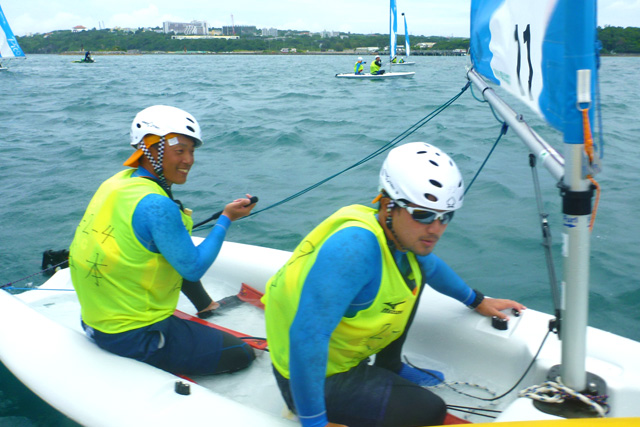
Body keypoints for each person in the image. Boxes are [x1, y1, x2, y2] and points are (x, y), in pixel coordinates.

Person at [262, 142, 526, 427]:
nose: (436, 229)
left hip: (340, 354)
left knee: (413, 276)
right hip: (308, 376)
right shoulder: (354, 250)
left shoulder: (401, 236)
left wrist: (477, 300)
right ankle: (308, 407)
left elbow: (432, 268)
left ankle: (390, 366)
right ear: (388, 205)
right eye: (423, 214)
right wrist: (315, 422)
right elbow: (307, 339)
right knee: (428, 411)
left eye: (445, 217)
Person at [69, 105, 257, 376]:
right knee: (240, 354)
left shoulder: (116, 183)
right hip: (133, 335)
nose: (189, 160)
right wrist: (226, 219)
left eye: (192, 151)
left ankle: (206, 305)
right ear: (149, 149)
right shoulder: (156, 204)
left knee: (172, 251)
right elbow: (193, 267)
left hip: (95, 320)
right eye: (179, 150)